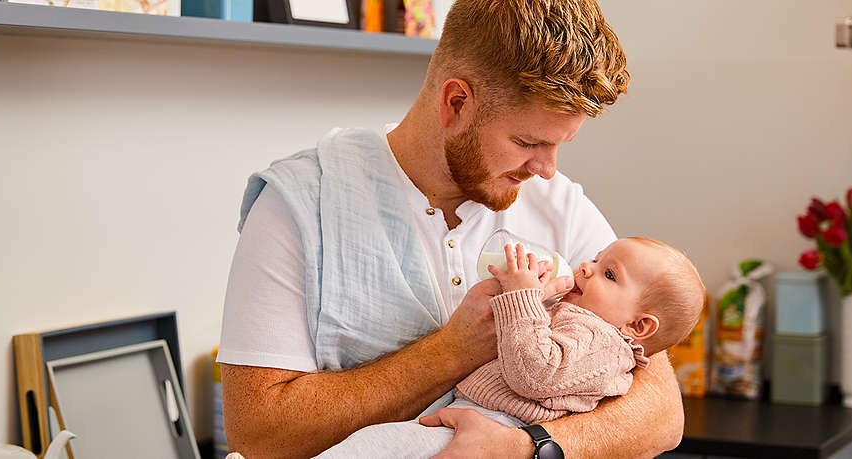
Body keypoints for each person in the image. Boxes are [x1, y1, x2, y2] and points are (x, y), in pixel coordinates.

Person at [217, 0, 687, 457]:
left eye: (560, 144)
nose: (546, 169)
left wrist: (529, 447)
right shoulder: (300, 205)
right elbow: (258, 434)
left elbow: (661, 413)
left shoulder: (558, 203)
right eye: (527, 141)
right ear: (456, 101)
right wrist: (452, 352)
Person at [315, 238, 706, 458]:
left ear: (638, 326)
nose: (585, 268)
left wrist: (522, 298)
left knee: (371, 449)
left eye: (608, 273)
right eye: (595, 258)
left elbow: (536, 372)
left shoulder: (602, 344)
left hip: (497, 426)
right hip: (467, 411)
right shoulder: (579, 316)